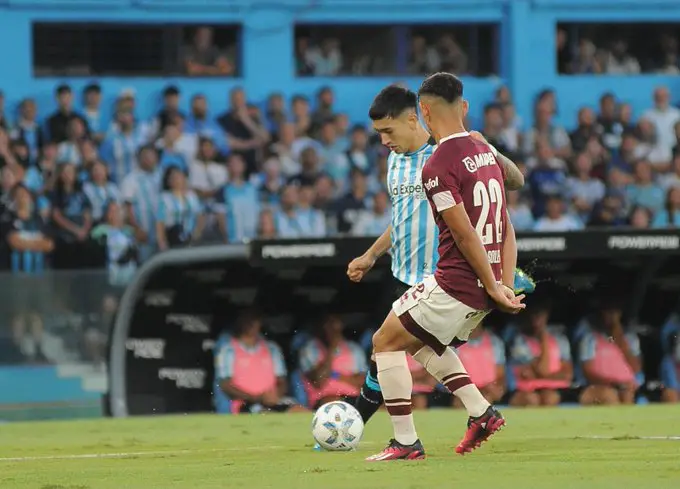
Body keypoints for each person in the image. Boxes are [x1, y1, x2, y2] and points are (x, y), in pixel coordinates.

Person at [344, 85, 531, 442]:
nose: (384, 142)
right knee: (419, 348)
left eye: (388, 131)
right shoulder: (395, 162)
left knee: (386, 348)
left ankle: (389, 436)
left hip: (442, 276)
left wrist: (487, 148)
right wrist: (371, 255)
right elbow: (404, 218)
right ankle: (480, 412)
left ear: (415, 118)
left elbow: (513, 185)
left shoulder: (448, 154)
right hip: (405, 274)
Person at [214, 311, 306, 414]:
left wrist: (274, 396)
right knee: (267, 415)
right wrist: (256, 398)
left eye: (254, 320)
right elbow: (225, 385)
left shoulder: (272, 348)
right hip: (246, 403)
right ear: (240, 322)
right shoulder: (228, 350)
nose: (251, 324)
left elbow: (282, 381)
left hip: (273, 400)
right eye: (247, 320)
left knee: (301, 412)